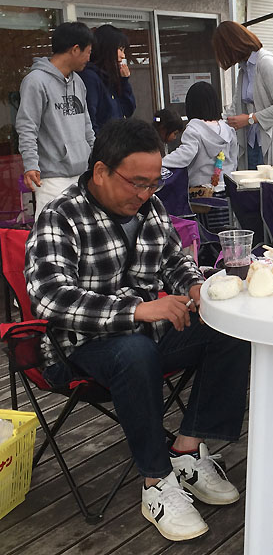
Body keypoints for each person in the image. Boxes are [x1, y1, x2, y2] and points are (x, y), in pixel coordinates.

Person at [25, 118, 249, 542]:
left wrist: (195, 287)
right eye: (137, 183)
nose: (146, 193)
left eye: (154, 183)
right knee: (133, 352)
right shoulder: (61, 215)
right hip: (79, 347)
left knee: (231, 326)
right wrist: (139, 310)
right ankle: (156, 482)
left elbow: (174, 261)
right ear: (100, 172)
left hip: (149, 335)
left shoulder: (151, 208)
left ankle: (186, 449)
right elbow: (50, 298)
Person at [15, 21, 95, 214]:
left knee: (83, 229)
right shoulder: (36, 81)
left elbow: (87, 127)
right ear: (75, 49)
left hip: (83, 174)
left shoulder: (78, 82)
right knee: (52, 229)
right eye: (88, 52)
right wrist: (31, 165)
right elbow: (27, 127)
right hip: (52, 178)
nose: (89, 58)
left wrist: (97, 157)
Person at [212, 20, 273, 168]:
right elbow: (236, 107)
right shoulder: (244, 69)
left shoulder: (266, 63)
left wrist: (250, 119)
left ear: (232, 46)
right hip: (253, 142)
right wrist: (212, 125)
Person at [162, 81, 238, 191]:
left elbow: (184, 156)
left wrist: (159, 163)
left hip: (201, 191)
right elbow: (233, 161)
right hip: (226, 189)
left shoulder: (194, 130)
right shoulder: (228, 130)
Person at [77, 24, 136, 134]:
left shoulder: (109, 78)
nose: (123, 56)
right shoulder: (90, 78)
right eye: (120, 49)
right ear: (107, 48)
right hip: (104, 143)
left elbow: (127, 110)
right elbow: (90, 121)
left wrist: (124, 81)